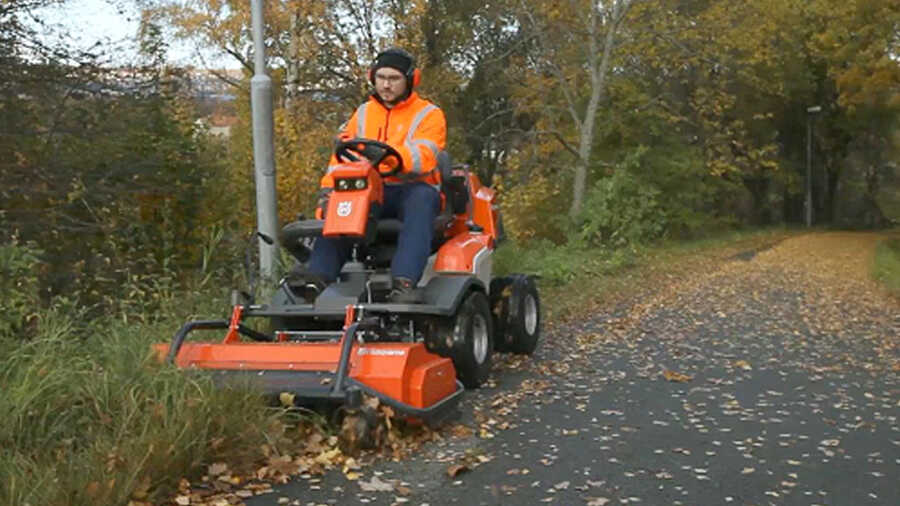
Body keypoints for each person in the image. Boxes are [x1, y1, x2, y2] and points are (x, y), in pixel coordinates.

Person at [297, 47, 447, 303]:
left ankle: (404, 282)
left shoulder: (429, 115)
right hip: (369, 188)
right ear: (373, 77)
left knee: (421, 201)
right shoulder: (363, 113)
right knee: (341, 205)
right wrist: (328, 195)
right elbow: (340, 160)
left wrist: (384, 158)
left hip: (411, 188)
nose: (386, 85)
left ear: (411, 80)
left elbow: (423, 157)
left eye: (394, 79)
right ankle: (316, 279)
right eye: (382, 78)